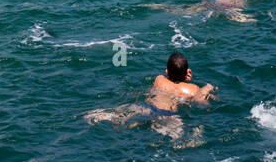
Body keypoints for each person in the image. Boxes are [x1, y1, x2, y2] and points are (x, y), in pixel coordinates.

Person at [85, 52, 214, 140]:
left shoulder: (159, 79)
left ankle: (101, 117)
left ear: (167, 72)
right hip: (169, 116)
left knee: (120, 113)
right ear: (188, 72)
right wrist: (206, 89)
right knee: (179, 139)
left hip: (147, 108)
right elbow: (202, 104)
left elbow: (172, 83)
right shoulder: (192, 90)